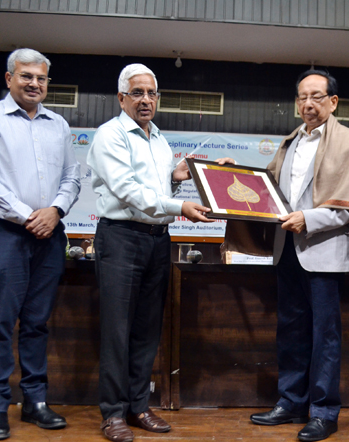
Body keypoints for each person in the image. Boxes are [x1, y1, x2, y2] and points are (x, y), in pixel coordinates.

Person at [224, 69, 349, 442]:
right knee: (291, 331)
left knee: (325, 336)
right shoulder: (290, 142)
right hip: (287, 252)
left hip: (323, 253)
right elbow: (268, 191)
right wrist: (231, 175)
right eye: (302, 97)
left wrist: (308, 219)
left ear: (333, 102)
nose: (308, 104)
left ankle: (324, 412)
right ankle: (291, 402)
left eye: (316, 96)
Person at [86, 63, 234, 442]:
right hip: (121, 237)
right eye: (137, 92)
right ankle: (113, 414)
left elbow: (162, 185)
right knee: (117, 330)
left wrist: (196, 174)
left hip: (157, 240)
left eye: (152, 93)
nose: (146, 100)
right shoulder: (110, 135)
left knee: (147, 329)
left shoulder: (159, 140)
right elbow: (128, 190)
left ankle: (138, 406)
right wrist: (179, 207)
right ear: (121, 98)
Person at [0, 48, 81, 440]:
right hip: (4, 231)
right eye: (26, 76)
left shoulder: (58, 124)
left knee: (36, 322)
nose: (34, 84)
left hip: (50, 233)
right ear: (9, 78)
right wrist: (28, 215)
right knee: (1, 322)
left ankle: (35, 402)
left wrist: (56, 211)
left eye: (41, 78)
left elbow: (72, 176)